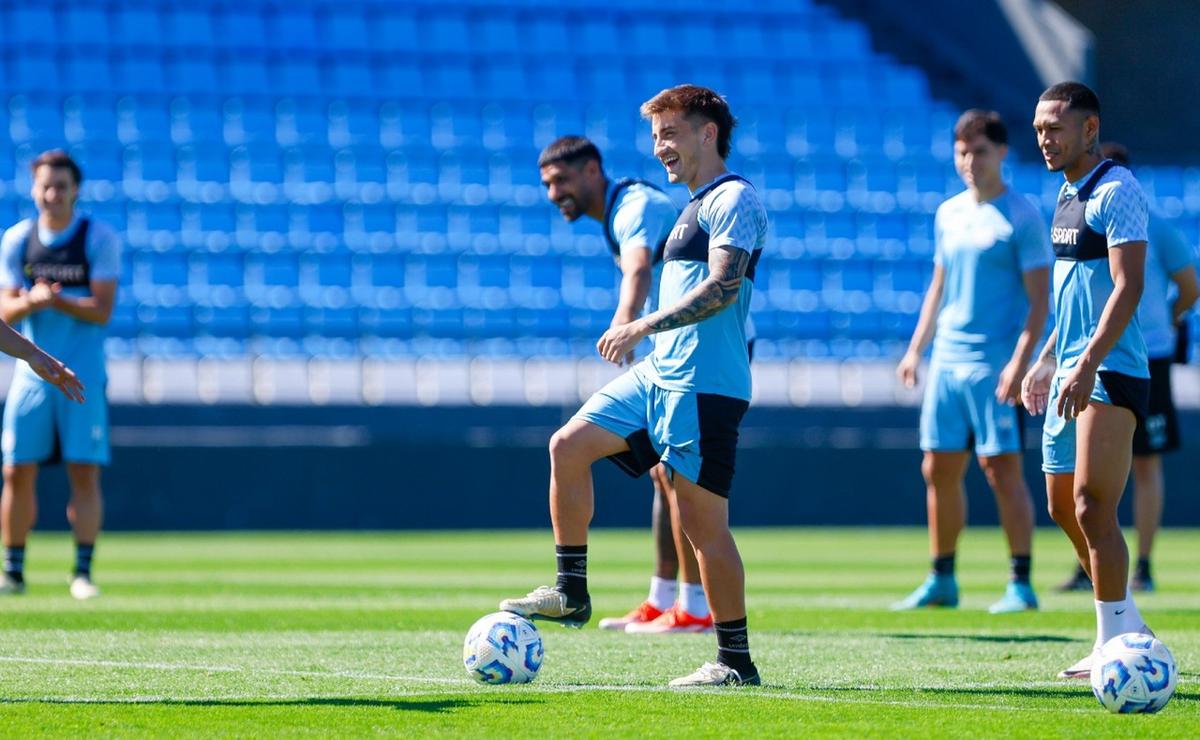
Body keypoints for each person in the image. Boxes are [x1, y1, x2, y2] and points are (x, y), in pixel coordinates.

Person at [501, 84, 766, 687]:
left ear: (708, 133)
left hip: (703, 383)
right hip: (660, 374)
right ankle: (571, 591)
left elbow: (723, 288)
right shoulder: (690, 206)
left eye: (669, 135)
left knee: (703, 527)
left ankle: (734, 661)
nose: (660, 149)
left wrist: (641, 322)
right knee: (567, 446)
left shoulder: (735, 198)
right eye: (655, 138)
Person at [537, 135, 713, 633]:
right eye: (548, 184)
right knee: (662, 474)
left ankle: (696, 608)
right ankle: (663, 599)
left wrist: (624, 321)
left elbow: (637, 271)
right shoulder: (625, 209)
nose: (554, 193)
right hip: (672, 352)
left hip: (702, 354)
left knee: (682, 477)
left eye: (562, 179)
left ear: (593, 169)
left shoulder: (634, 206)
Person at [893, 110, 1051, 614]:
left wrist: (1021, 362)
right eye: (962, 151)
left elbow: (1041, 304)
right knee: (936, 467)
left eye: (979, 151)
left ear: (1001, 153)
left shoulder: (1022, 217)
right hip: (948, 360)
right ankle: (942, 578)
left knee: (999, 469)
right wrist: (917, 348)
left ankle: (1020, 582)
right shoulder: (949, 213)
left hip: (995, 361)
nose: (969, 161)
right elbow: (939, 287)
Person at [1022, 82, 1156, 679]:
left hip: (1110, 370)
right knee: (1061, 506)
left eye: (1055, 127)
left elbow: (1128, 287)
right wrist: (1050, 358)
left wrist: (1087, 363)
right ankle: (1129, 625)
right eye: (1039, 129)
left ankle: (1110, 641)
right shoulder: (1065, 193)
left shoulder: (1117, 190)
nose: (1045, 138)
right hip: (1070, 371)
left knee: (1091, 503)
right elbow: (1072, 295)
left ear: (1090, 129)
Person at [1056, 142, 1198, 594]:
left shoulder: (1157, 228)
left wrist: (1167, 321)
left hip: (1144, 356)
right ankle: (1092, 565)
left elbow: (1190, 286)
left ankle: (1146, 564)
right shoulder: (1080, 215)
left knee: (1146, 462)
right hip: (1095, 356)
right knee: (1086, 474)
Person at [0, 150, 121, 600]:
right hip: (31, 374)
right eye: (45, 187)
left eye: (61, 187)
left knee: (84, 471)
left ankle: (82, 571)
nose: (52, 195)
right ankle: (13, 570)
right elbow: (5, 310)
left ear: (75, 191)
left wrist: (56, 300)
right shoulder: (17, 239)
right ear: (34, 190)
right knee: (15, 470)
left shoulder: (97, 238)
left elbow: (102, 310)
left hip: (82, 370)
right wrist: (32, 303)